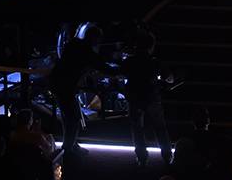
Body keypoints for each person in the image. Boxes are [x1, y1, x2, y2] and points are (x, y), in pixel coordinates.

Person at [49, 24, 113, 156]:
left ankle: (71, 144)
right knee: (73, 118)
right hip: (65, 87)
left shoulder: (74, 44)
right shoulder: (87, 52)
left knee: (69, 117)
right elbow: (103, 66)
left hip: (58, 83)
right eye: (98, 40)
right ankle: (68, 149)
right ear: (94, 38)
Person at [122, 30, 172, 167]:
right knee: (160, 128)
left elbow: (119, 73)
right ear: (151, 46)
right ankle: (167, 156)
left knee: (137, 129)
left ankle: (142, 158)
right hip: (152, 98)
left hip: (134, 99)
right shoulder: (154, 62)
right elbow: (169, 77)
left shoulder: (129, 61)